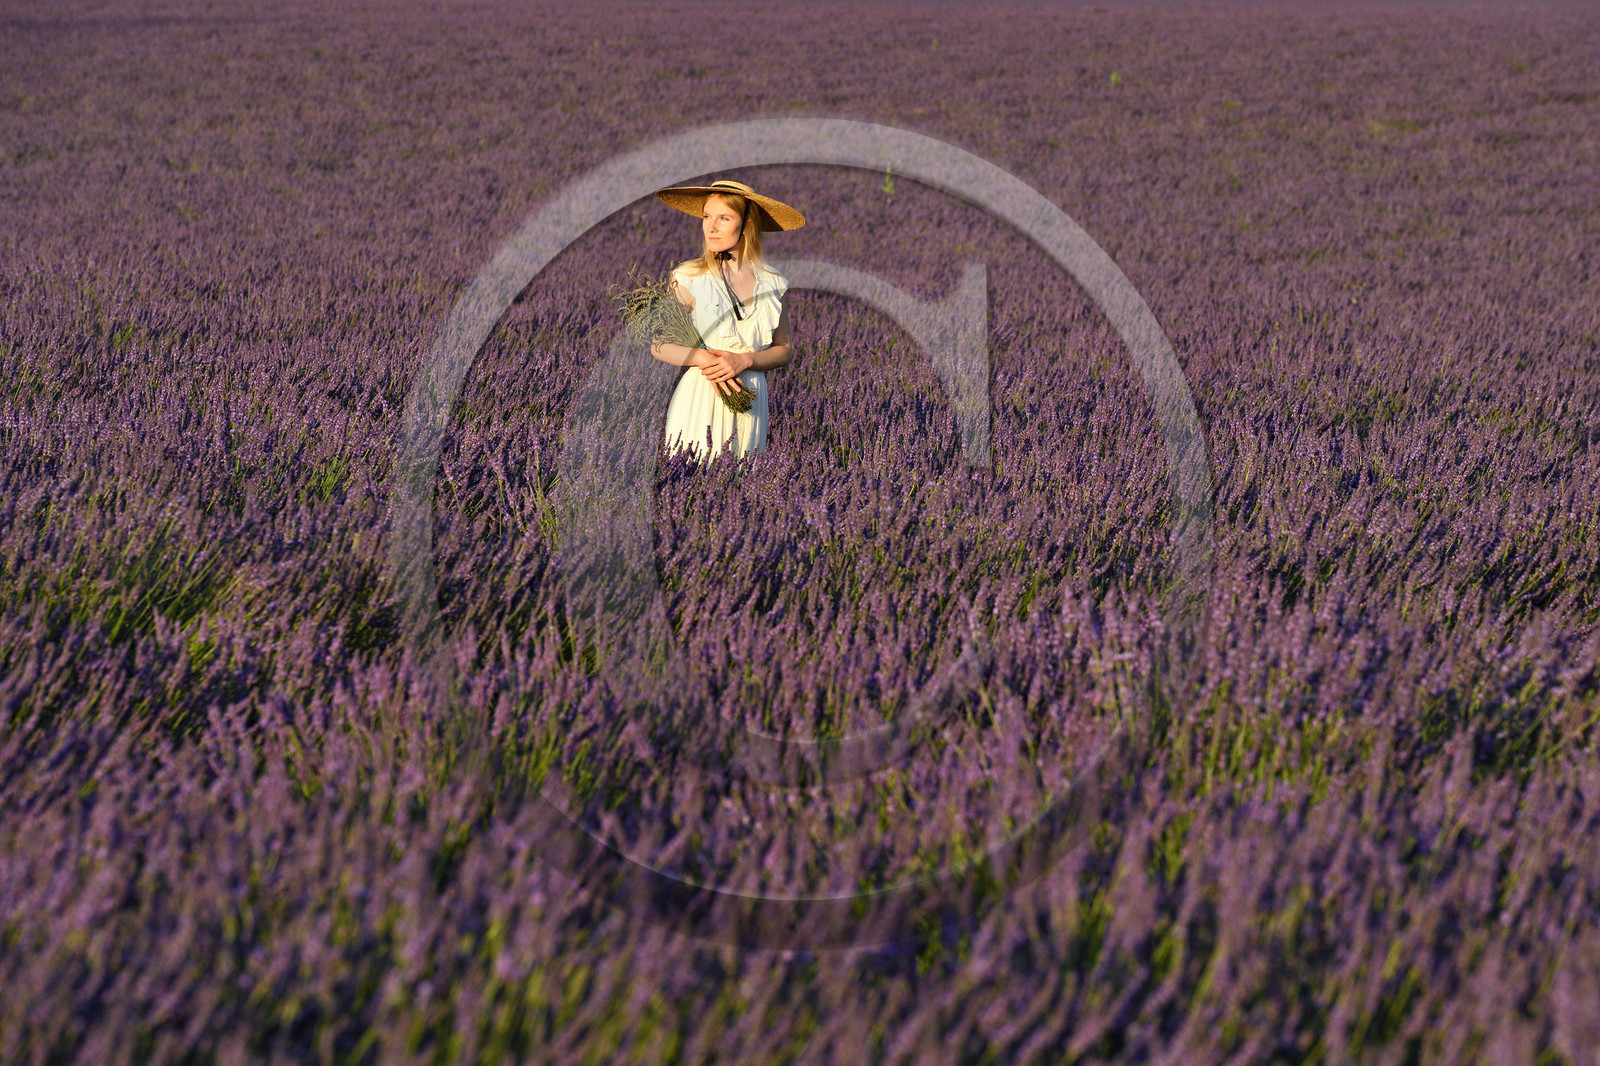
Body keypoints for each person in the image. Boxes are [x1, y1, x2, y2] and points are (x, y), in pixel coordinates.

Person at [650, 179, 805, 464]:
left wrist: (746, 360)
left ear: (746, 224)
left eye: (724, 218)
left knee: (739, 489)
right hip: (701, 394)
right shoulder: (689, 277)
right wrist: (701, 357)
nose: (711, 227)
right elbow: (659, 345)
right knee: (689, 484)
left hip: (751, 400)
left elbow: (784, 349)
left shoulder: (773, 282)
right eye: (707, 217)